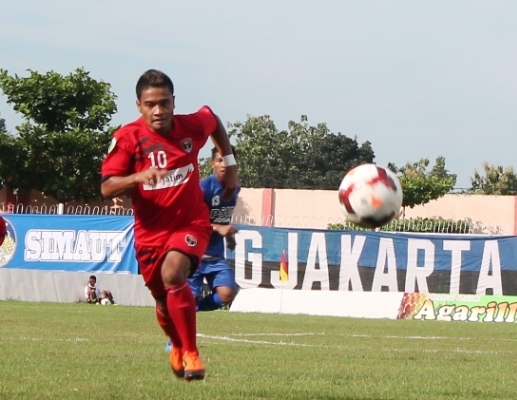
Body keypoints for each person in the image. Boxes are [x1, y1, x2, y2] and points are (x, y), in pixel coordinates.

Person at [100, 69, 238, 382]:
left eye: (164, 102)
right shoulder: (126, 138)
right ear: (139, 105)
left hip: (190, 223)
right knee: (162, 301)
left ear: (174, 102)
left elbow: (213, 119)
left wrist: (229, 164)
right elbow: (107, 187)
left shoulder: (190, 126)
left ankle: (190, 351)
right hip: (149, 234)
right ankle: (177, 345)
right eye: (151, 104)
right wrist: (136, 177)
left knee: (173, 272)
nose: (158, 110)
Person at [165, 146, 240, 352]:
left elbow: (221, 217)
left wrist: (229, 237)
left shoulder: (235, 188)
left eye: (228, 161)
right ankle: (174, 340)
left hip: (216, 255)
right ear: (213, 164)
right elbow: (191, 221)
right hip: (195, 255)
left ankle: (193, 308)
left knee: (226, 293)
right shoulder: (204, 189)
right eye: (219, 161)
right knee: (187, 297)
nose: (224, 165)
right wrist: (219, 228)